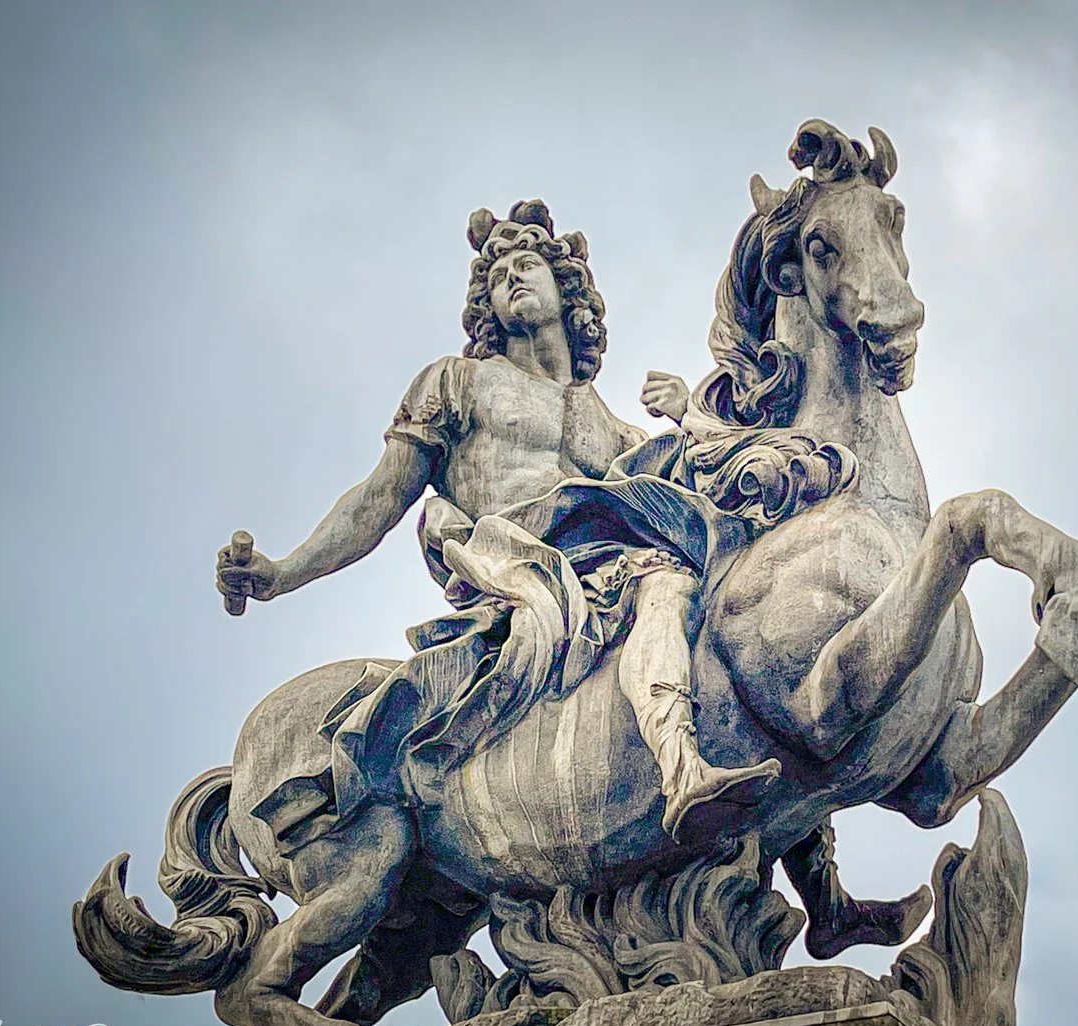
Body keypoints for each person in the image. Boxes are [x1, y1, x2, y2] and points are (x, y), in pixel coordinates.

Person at [217, 200, 778, 844]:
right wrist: (283, 572)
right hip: (519, 569)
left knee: (742, 612)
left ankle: (822, 888)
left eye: (527, 263)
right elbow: (377, 499)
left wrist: (690, 416)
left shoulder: (614, 427)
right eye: (497, 274)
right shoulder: (457, 382)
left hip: (602, 566)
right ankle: (681, 773)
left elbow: (708, 487)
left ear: (570, 293)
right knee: (666, 580)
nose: (512, 277)